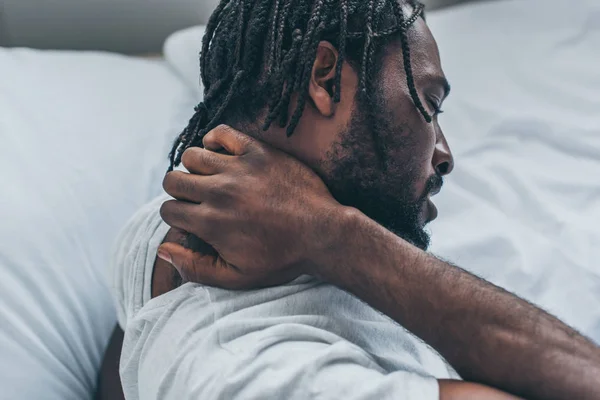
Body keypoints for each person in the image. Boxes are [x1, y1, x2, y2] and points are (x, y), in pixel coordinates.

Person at [97, 0, 600, 399]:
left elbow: (127, 343)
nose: (444, 155)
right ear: (325, 78)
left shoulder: (157, 234)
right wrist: (333, 236)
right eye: (428, 102)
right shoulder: (263, 374)